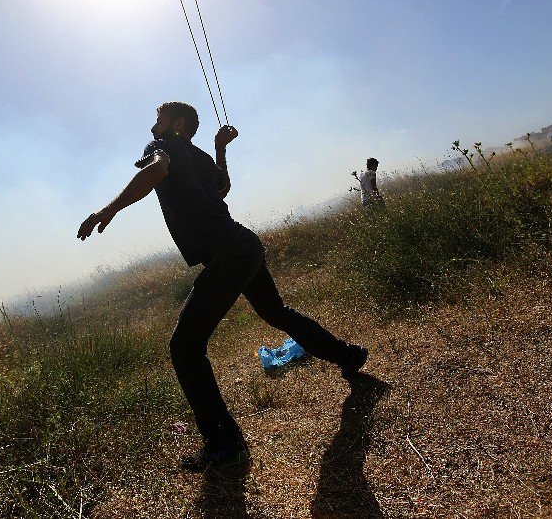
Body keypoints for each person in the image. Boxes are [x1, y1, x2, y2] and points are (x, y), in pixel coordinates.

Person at [77, 102, 369, 472]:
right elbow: (223, 187)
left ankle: (224, 446)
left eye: (160, 119)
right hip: (244, 244)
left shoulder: (160, 149)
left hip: (229, 252)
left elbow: (157, 170)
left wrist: (109, 209)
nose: (154, 126)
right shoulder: (198, 155)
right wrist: (220, 148)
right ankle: (348, 355)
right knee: (276, 313)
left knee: (185, 347)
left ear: (177, 124)